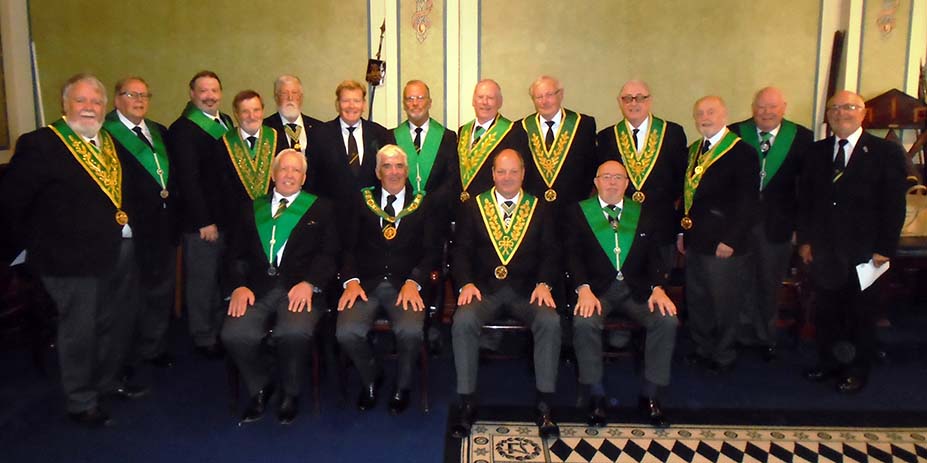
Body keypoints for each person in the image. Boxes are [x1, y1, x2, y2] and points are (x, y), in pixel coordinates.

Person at [0, 73, 145, 427]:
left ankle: (107, 381)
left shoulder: (108, 142)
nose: (89, 107)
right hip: (67, 260)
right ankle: (81, 400)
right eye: (81, 100)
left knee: (114, 321)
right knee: (80, 329)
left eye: (96, 101)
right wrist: (37, 246)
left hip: (116, 250)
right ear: (65, 104)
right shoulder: (41, 143)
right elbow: (12, 202)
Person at [797, 90, 907, 393]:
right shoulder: (816, 152)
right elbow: (805, 201)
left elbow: (894, 205)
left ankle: (856, 370)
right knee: (827, 312)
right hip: (825, 250)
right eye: (834, 108)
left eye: (848, 107)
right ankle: (828, 363)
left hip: (866, 251)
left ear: (862, 113)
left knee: (860, 313)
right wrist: (805, 241)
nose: (841, 113)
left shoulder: (885, 152)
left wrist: (885, 248)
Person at [220, 149, 338, 424]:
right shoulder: (250, 208)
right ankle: (260, 386)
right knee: (234, 334)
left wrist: (310, 283)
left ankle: (290, 392)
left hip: (299, 289)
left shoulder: (322, 208)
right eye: (284, 169)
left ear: (304, 177)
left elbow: (329, 254)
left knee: (293, 332)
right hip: (256, 289)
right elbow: (233, 255)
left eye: (296, 170)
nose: (289, 175)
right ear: (273, 175)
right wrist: (238, 286)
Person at [450, 149, 561, 439]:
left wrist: (544, 283)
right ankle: (467, 402)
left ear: (523, 174)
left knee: (550, 321)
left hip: (527, 291)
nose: (507, 177)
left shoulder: (539, 208)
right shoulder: (474, 207)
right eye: (501, 171)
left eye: (513, 171)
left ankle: (545, 404)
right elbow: (460, 251)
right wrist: (466, 283)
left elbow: (551, 252)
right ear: (493, 174)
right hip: (484, 290)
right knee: (463, 321)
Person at [569, 160, 678, 428]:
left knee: (667, 320)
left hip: (636, 290)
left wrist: (658, 288)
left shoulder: (643, 213)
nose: (612, 182)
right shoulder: (578, 212)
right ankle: (595, 394)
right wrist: (583, 288)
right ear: (596, 182)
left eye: (618, 177)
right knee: (584, 322)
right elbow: (572, 256)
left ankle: (651, 395)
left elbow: (655, 257)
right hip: (596, 291)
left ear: (627, 183)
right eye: (606, 177)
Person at [335, 145, 441, 415]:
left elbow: (432, 251)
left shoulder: (424, 204)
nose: (393, 172)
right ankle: (372, 377)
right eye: (387, 166)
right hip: (365, 284)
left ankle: (401, 387)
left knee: (410, 331)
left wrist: (414, 281)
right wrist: (351, 280)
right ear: (377, 171)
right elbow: (347, 247)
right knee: (346, 332)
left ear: (407, 171)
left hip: (405, 285)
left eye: (399, 166)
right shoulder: (362, 201)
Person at [729, 87, 813, 361]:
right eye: (761, 106)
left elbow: (806, 189)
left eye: (772, 107)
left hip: (779, 225)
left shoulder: (802, 137)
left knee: (769, 282)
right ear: (753, 107)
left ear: (783, 107)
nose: (766, 112)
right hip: (739, 225)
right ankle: (739, 334)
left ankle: (765, 336)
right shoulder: (735, 133)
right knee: (739, 281)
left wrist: (802, 229)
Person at [679, 96, 759, 374]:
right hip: (695, 239)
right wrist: (682, 232)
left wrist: (731, 239)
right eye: (700, 113)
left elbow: (748, 202)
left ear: (724, 115)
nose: (705, 117)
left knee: (724, 302)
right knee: (698, 300)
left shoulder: (742, 152)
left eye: (711, 112)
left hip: (724, 243)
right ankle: (703, 349)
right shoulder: (694, 150)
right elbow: (687, 195)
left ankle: (724, 354)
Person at [103, 76, 179, 369]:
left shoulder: (159, 131)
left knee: (160, 289)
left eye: (144, 95)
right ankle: (122, 358)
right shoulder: (105, 135)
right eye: (131, 94)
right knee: (125, 295)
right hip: (129, 227)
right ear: (116, 99)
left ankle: (153, 347)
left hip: (163, 224)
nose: (139, 100)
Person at [169, 70, 235, 359]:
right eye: (203, 91)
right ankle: (203, 336)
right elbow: (188, 180)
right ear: (192, 94)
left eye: (214, 90)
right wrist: (203, 221)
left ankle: (220, 330)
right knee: (202, 282)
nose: (210, 96)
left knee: (221, 279)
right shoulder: (182, 130)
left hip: (227, 218)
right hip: (203, 223)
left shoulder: (226, 122)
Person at [597, 79, 688, 272]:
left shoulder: (672, 133)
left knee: (660, 282)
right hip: (621, 228)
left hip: (661, 226)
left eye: (639, 98)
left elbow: (682, 182)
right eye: (627, 98)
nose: (633, 103)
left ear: (649, 100)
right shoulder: (607, 137)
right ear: (620, 102)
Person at [305, 79, 394, 233]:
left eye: (356, 101)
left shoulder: (380, 134)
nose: (351, 106)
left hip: (372, 220)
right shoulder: (320, 135)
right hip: (332, 222)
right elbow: (311, 180)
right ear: (337, 104)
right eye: (346, 101)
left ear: (364, 105)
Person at [520, 75, 597, 211]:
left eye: (549, 95)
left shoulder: (583, 125)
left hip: (574, 208)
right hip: (534, 209)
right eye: (539, 97)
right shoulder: (521, 128)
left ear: (560, 95)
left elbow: (591, 167)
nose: (544, 101)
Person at [392, 79, 460, 226]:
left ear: (429, 103)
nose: (415, 103)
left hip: (437, 219)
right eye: (410, 99)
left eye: (420, 98)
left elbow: (452, 180)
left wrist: (427, 204)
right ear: (404, 104)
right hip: (402, 218)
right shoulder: (391, 137)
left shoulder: (447, 137)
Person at [456, 79, 527, 204]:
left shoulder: (513, 132)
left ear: (499, 102)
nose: (485, 102)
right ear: (473, 101)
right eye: (480, 97)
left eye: (490, 98)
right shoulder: (463, 131)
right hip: (461, 206)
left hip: (490, 206)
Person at [263, 75, 322, 157]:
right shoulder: (264, 129)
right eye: (284, 93)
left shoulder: (320, 129)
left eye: (294, 93)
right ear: (276, 97)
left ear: (301, 97)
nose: (290, 98)